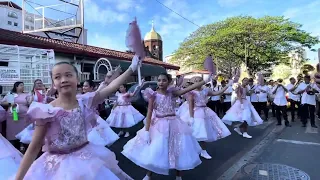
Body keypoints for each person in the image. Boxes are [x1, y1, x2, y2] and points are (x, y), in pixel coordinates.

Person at [13, 55, 141, 180]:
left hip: (87, 159)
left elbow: (111, 87)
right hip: (57, 167)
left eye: (68, 75)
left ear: (77, 79)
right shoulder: (46, 110)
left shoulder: (85, 101)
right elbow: (33, 148)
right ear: (53, 84)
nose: (63, 80)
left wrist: (132, 68)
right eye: (57, 77)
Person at [122, 73, 213, 180]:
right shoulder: (153, 95)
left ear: (169, 82)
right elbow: (150, 112)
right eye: (159, 80)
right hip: (159, 125)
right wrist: (146, 131)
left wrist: (205, 80)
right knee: (156, 149)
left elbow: (187, 89)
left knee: (179, 149)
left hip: (175, 123)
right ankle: (148, 174)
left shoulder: (172, 93)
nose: (161, 82)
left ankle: (178, 176)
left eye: (164, 80)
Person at [177, 76, 232, 159]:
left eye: (200, 80)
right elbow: (190, 105)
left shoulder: (206, 90)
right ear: (193, 83)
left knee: (203, 133)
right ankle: (192, 150)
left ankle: (203, 151)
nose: (198, 82)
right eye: (196, 81)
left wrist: (228, 85)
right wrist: (191, 117)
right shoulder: (191, 92)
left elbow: (217, 93)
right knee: (192, 133)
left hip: (205, 112)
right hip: (195, 113)